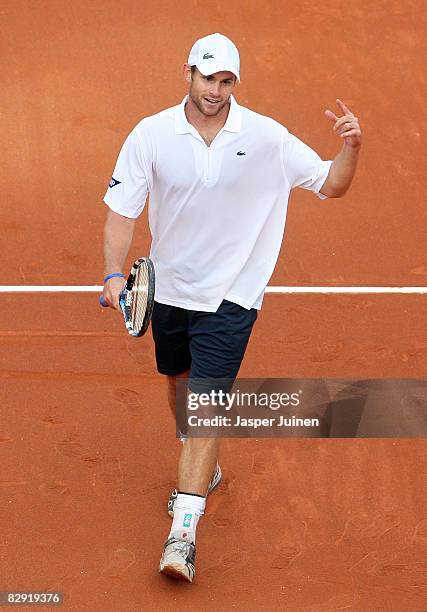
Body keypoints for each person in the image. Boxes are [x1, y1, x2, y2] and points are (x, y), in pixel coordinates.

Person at [101, 32, 362, 583]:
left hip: (232, 297)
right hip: (169, 289)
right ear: (188, 73)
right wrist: (111, 272)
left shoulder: (266, 137)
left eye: (226, 81)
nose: (216, 91)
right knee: (179, 389)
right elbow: (123, 211)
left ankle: (183, 535)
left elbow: (331, 185)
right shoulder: (150, 135)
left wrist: (350, 148)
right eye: (207, 78)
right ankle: (206, 465)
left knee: (205, 407)